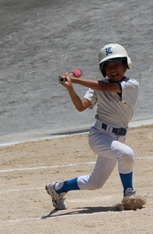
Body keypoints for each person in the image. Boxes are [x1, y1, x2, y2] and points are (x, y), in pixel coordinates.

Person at [46, 43, 144, 210]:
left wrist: (74, 79)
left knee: (95, 183)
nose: (113, 69)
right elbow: (81, 106)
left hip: (118, 137)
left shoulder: (131, 85)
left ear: (126, 65)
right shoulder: (96, 86)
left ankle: (58, 188)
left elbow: (104, 87)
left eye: (117, 64)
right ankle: (129, 194)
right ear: (103, 70)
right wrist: (70, 88)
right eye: (108, 66)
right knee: (126, 153)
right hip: (99, 136)